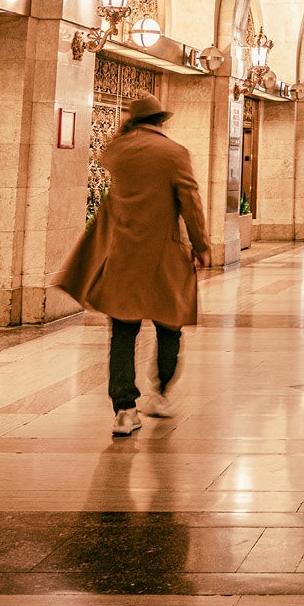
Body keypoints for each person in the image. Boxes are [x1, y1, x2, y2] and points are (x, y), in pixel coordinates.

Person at [51, 96, 212, 438]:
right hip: (165, 257)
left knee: (123, 333)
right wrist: (202, 247)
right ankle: (160, 394)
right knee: (170, 327)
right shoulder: (174, 153)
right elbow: (191, 204)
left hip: (123, 255)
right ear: (159, 121)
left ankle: (124, 410)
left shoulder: (118, 150)